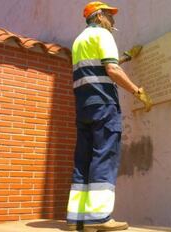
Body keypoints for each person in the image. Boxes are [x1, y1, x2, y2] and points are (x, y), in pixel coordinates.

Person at [66, 1, 152, 231]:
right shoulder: (103, 36)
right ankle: (100, 218)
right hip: (104, 104)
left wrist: (124, 57)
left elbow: (96, 67)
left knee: (83, 160)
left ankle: (79, 220)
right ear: (99, 16)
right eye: (109, 16)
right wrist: (137, 91)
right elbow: (111, 70)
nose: (113, 21)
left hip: (84, 107)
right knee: (104, 155)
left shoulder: (79, 40)